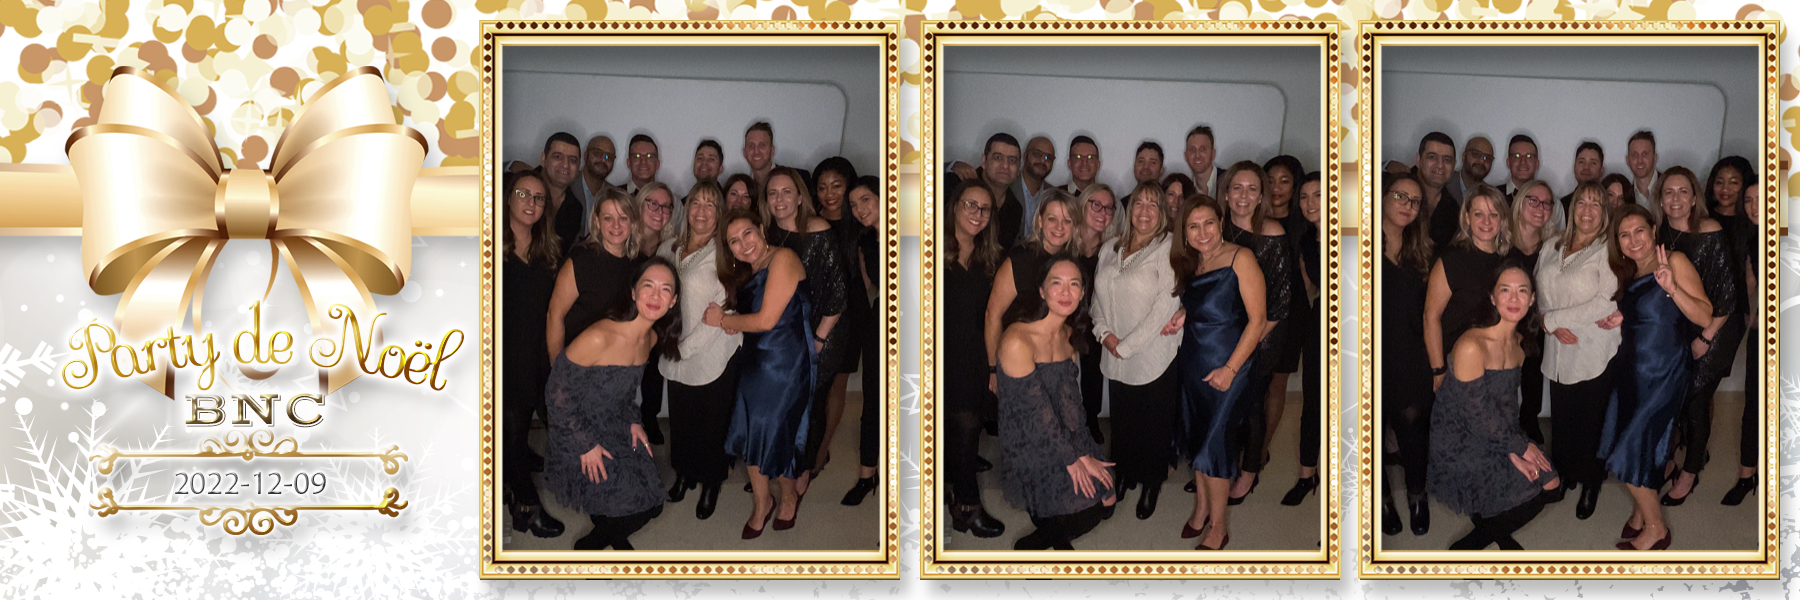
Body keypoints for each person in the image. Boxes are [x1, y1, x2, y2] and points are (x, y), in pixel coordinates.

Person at [545, 257, 682, 550]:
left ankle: (610, 533)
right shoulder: (598, 338)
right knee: (638, 508)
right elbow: (556, 397)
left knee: (653, 503)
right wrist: (586, 445)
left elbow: (625, 392)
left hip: (616, 423)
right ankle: (589, 547)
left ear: (673, 301)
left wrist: (634, 420)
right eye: (648, 286)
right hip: (576, 430)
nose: (655, 296)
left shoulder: (651, 338)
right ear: (633, 292)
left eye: (665, 289)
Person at [1427, 261, 1561, 550]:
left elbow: (1505, 405)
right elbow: (1475, 414)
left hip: (1492, 430)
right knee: (1543, 484)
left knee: (1550, 484)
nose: (1514, 298)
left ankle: (1492, 532)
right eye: (1505, 290)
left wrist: (1513, 449)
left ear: (1532, 299)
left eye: (1522, 291)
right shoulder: (1471, 346)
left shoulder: (1520, 344)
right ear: (1492, 297)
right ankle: (1468, 547)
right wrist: (1518, 447)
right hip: (1459, 441)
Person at [1602, 204, 1712, 551]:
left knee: (1628, 447)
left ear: (1653, 231)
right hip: (1631, 369)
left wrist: (1672, 288)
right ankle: (1640, 513)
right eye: (1624, 235)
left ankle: (1656, 528)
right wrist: (1622, 316)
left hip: (1664, 371)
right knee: (1643, 445)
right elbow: (1647, 312)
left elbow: (1705, 315)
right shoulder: (1631, 270)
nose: (1633, 240)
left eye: (1639, 231)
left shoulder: (1674, 261)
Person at [707, 210, 816, 539]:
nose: (743, 244)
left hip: (786, 365)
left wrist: (722, 320)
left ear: (761, 230)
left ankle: (788, 496)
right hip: (755, 362)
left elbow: (767, 320)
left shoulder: (782, 258)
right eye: (734, 241)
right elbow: (753, 320)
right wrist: (734, 322)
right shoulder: (749, 270)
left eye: (747, 234)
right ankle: (762, 501)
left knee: (777, 431)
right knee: (751, 428)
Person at [996, 255, 1117, 550]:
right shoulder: (1017, 340)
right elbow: (1037, 416)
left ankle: (1050, 533)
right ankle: (1046, 538)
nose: (1065, 292)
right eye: (1057, 283)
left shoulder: (1067, 335)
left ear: (1082, 293)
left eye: (1074, 284)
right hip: (1028, 438)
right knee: (1078, 497)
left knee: (1108, 499)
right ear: (1042, 290)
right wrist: (1072, 459)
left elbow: (1070, 404)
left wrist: (1084, 450)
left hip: (1060, 428)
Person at [1168, 194, 1266, 551]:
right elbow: (1203, 303)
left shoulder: (1241, 258)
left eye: (1209, 223)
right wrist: (1184, 313)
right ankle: (1201, 508)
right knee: (1198, 437)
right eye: (1193, 226)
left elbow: (1257, 321)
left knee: (1215, 445)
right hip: (1194, 361)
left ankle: (1219, 526)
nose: (1202, 232)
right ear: (1185, 232)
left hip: (1230, 365)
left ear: (1221, 222)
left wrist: (1230, 369)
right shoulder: (1193, 261)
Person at [1419, 184, 1512, 535]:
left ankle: (1489, 500)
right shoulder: (1451, 259)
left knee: (1492, 430)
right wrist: (1438, 369)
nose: (1486, 221)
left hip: (1495, 365)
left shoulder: (1508, 261)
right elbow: (1431, 316)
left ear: (1503, 220)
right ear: (1467, 219)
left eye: (1494, 214)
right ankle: (1470, 502)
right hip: (1456, 364)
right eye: (1479, 214)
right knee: (1462, 436)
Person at [1653, 166, 1743, 507]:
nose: (1675, 199)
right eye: (1668, 192)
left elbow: (1728, 295)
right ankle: (1686, 452)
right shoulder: (1661, 232)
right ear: (1661, 200)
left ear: (1694, 199)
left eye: (1683, 192)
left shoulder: (1710, 230)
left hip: (1717, 327)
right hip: (1687, 325)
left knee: (1695, 399)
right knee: (1679, 397)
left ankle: (1690, 473)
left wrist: (1705, 338)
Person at [1091, 183, 1180, 520]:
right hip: (1115, 354)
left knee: (1153, 425)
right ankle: (1125, 472)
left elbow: (1164, 308)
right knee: (1123, 421)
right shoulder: (1110, 247)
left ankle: (1151, 482)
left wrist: (1125, 347)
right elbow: (1096, 299)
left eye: (1153, 204)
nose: (1144, 210)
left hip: (1153, 355)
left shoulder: (1169, 248)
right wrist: (1105, 336)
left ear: (1162, 212)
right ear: (1129, 210)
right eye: (1139, 203)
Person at [656, 180, 741, 520]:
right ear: (686, 208)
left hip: (710, 352)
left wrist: (685, 348)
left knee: (711, 424)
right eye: (696, 203)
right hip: (674, 351)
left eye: (710, 205)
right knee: (681, 419)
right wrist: (666, 344)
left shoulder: (726, 253)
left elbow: (726, 308)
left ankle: (711, 481)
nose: (701, 211)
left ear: (719, 213)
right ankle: (684, 472)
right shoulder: (668, 248)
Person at [1534, 181, 1619, 521]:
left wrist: (1553, 320)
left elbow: (1604, 302)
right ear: (1572, 210)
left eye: (1596, 204)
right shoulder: (1552, 244)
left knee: (1591, 422)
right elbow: (1539, 289)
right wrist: (1547, 322)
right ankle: (1566, 472)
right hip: (1557, 348)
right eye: (1581, 202)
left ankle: (1591, 482)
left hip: (1593, 349)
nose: (1587, 210)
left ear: (1605, 212)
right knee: (1563, 418)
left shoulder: (1607, 249)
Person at [760, 167, 847, 497]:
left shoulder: (817, 229)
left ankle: (804, 470)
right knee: (783, 406)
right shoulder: (767, 233)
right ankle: (780, 464)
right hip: (782, 337)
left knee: (811, 407)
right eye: (772, 193)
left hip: (819, 334)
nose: (779, 199)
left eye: (786, 192)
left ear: (799, 197)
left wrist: (819, 339)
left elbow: (838, 293)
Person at [1218, 161, 1293, 506]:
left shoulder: (1272, 232)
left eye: (1252, 189)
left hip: (1262, 338)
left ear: (1261, 196)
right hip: (1223, 334)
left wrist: (1249, 342)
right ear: (1226, 193)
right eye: (1237, 188)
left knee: (1250, 408)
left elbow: (1280, 302)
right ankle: (1219, 467)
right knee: (1223, 406)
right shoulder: (1217, 228)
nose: (1243, 196)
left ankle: (1249, 472)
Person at [501, 171, 565, 539]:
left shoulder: (548, 250)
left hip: (536, 353)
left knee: (521, 428)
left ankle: (511, 490)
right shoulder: (489, 247)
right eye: (523, 194)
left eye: (539, 198)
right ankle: (526, 503)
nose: (531, 202)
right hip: (503, 355)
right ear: (508, 197)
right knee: (511, 432)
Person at [944, 180, 1007, 538]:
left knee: (967, 426)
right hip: (938, 353)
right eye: (970, 204)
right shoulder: (930, 250)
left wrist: (994, 364)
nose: (977, 214)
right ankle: (967, 505)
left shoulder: (990, 257)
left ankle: (958, 496)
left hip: (975, 353)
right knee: (955, 427)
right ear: (954, 206)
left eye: (985, 209)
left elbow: (994, 315)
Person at [1703, 155, 1761, 505]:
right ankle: (1746, 474)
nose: (1753, 206)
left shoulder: (1761, 231)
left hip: (1742, 319)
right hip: (1740, 323)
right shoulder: (1707, 220)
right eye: (1749, 199)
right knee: (1754, 402)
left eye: (1735, 183)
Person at [1380, 173, 1435, 537]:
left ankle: (1417, 495)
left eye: (1415, 201)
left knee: (1414, 432)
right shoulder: (1356, 246)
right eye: (1401, 196)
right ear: (1383, 197)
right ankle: (1382, 499)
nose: (1407, 205)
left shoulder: (1422, 250)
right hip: (1366, 355)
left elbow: (1431, 312)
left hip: (1411, 355)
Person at [985, 192, 1080, 396]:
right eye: (1052, 219)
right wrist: (993, 368)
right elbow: (993, 313)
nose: (1059, 227)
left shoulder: (1072, 264)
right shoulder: (1019, 259)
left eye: (1067, 221)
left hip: (1054, 362)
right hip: (1017, 360)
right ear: (1040, 221)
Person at [813, 158, 869, 495]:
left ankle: (821, 451)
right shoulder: (809, 220)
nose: (829, 193)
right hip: (815, 312)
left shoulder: (859, 223)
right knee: (811, 383)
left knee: (836, 384)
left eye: (837, 185)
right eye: (822, 186)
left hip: (852, 313)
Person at [547, 188, 644, 362]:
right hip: (576, 363)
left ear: (633, 223)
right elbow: (555, 316)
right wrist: (558, 369)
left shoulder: (640, 264)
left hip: (616, 365)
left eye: (623, 218)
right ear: (597, 221)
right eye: (608, 218)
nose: (616, 225)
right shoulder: (581, 260)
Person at [1261, 155, 1310, 475]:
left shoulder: (1304, 224)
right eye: (1271, 180)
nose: (1277, 187)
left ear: (1295, 187)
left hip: (1291, 316)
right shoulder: (1252, 218)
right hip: (1251, 312)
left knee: (1276, 384)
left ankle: (1261, 448)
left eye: (1285, 181)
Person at [840, 175, 885, 506]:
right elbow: (872, 286)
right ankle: (867, 475)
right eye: (854, 205)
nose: (859, 209)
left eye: (866, 200)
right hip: (882, 322)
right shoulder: (866, 241)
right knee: (874, 401)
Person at [1282, 170, 1324, 506]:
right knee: (1313, 404)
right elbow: (1311, 290)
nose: (1310, 203)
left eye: (1318, 195)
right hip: (1321, 325)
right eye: (1305, 197)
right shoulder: (1307, 241)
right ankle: (1307, 475)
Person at [1506, 180, 1556, 445]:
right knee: (1504, 379)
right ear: (1520, 202)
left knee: (1533, 378)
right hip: (1504, 325)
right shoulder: (1502, 241)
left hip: (1538, 325)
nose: (1540, 207)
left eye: (1546, 203)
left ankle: (1529, 421)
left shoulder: (1552, 246)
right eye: (1533, 200)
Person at [1072, 183, 1119, 444]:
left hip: (1096, 321)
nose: (1103, 212)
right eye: (1096, 205)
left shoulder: (1113, 247)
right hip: (1064, 318)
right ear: (1083, 205)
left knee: (1093, 373)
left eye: (1109, 208)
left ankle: (1091, 420)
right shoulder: (1066, 239)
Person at [634, 182, 680, 445]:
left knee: (654, 373)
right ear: (639, 205)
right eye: (652, 203)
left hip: (658, 324)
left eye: (665, 206)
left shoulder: (671, 246)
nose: (659, 211)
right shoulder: (623, 239)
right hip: (626, 323)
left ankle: (649, 417)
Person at [539, 132, 587, 256]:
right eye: (558, 157)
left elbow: (560, 255)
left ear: (578, 167)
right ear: (543, 158)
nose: (565, 165)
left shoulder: (575, 208)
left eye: (572, 160)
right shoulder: (517, 186)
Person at [1415, 132, 1461, 249]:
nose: (1440, 165)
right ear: (1418, 159)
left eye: (1447, 159)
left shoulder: (1452, 210)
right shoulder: (1395, 187)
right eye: (1432, 157)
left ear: (1454, 165)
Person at [572, 134, 618, 240]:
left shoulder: (615, 194)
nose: (603, 160)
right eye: (597, 153)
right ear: (586, 155)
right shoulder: (568, 186)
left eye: (608, 157)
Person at [1446, 136, 1495, 204]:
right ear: (1464, 156)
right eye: (1476, 154)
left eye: (1487, 158)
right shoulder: (1445, 183)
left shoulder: (1492, 195)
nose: (1482, 161)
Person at [1184, 126, 1225, 197]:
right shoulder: (1185, 191)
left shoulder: (1230, 181)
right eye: (1192, 149)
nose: (1197, 155)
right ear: (1186, 156)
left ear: (1213, 154)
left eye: (1203, 149)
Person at [1498, 134, 1540, 200]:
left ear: (1537, 164)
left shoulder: (1549, 200)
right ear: (1508, 163)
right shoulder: (1492, 196)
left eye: (1529, 156)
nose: (1523, 162)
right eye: (1517, 156)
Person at [1626, 131, 1660, 207]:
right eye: (1635, 155)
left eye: (1645, 154)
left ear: (1655, 158)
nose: (1640, 160)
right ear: (1627, 160)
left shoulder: (1668, 186)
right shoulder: (1625, 195)